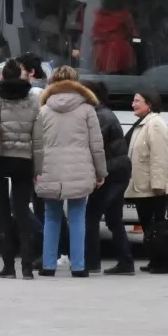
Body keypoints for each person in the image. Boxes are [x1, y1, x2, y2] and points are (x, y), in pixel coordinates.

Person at [32, 66, 107, 278]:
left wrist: (35, 171)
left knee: (51, 217)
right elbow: (96, 144)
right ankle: (79, 266)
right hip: (80, 169)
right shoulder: (87, 110)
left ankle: (48, 265)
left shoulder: (44, 110)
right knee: (77, 217)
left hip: (49, 169)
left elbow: (36, 145)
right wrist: (101, 171)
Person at [0, 59, 41, 279]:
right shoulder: (33, 101)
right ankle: (27, 267)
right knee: (22, 213)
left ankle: (7, 267)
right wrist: (38, 168)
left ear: (2, 76)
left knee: (3, 213)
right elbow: (39, 139)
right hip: (24, 162)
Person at [84, 81, 133, 275]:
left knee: (91, 217)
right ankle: (126, 262)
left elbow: (95, 145)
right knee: (114, 219)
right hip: (118, 170)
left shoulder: (100, 116)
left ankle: (92, 262)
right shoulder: (103, 113)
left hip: (112, 172)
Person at [125, 90, 168, 274]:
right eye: (133, 100)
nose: (133, 104)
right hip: (143, 186)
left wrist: (158, 184)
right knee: (149, 226)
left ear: (150, 104)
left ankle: (163, 263)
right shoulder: (144, 123)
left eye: (137, 100)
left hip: (152, 188)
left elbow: (159, 157)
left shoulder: (155, 124)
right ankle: (155, 260)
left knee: (157, 226)